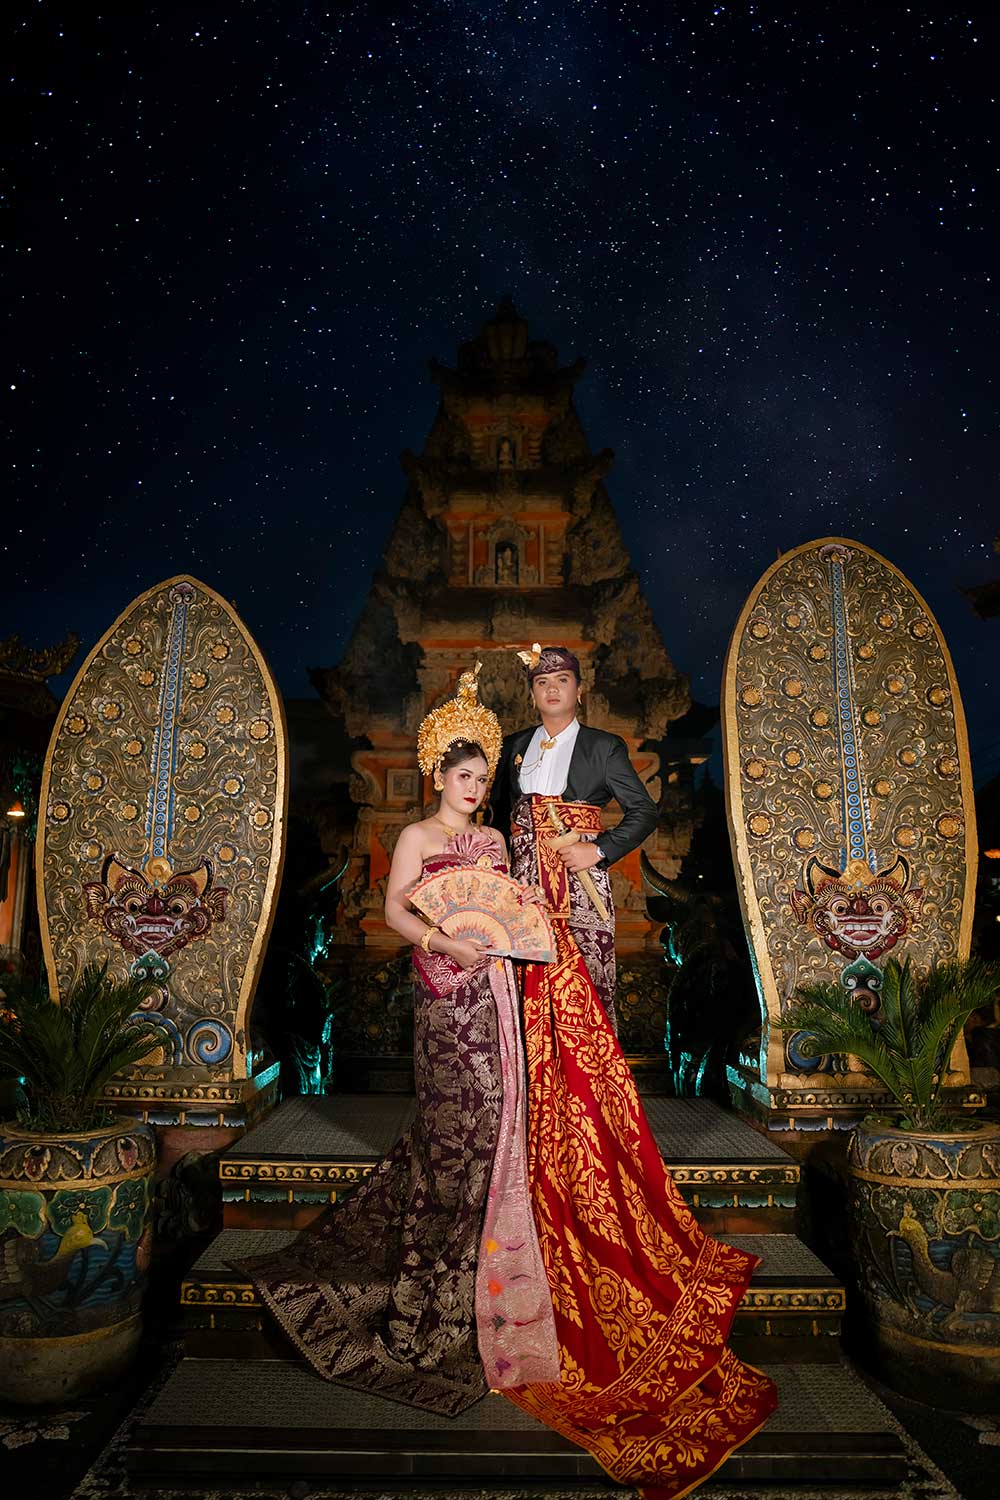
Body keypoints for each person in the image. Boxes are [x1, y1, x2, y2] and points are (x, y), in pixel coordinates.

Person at [229, 665, 558, 1414]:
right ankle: (433, 1276)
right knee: (449, 1125)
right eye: (464, 776)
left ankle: (488, 1277)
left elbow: (510, 911)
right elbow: (395, 914)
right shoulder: (416, 835)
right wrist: (447, 941)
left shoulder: (495, 840)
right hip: (443, 993)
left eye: (483, 778)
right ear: (439, 775)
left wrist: (511, 930)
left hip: (494, 992)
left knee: (496, 1122)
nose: (474, 788)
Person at [490, 644, 777, 1499]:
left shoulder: (605, 747)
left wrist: (597, 850)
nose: (550, 691)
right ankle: (534, 1122)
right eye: (540, 682)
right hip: (519, 900)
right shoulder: (514, 747)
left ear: (578, 690)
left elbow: (644, 811)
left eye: (560, 681)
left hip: (578, 900)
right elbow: (501, 819)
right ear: (532, 693)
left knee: (581, 1021)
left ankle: (587, 1124)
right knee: (524, 1020)